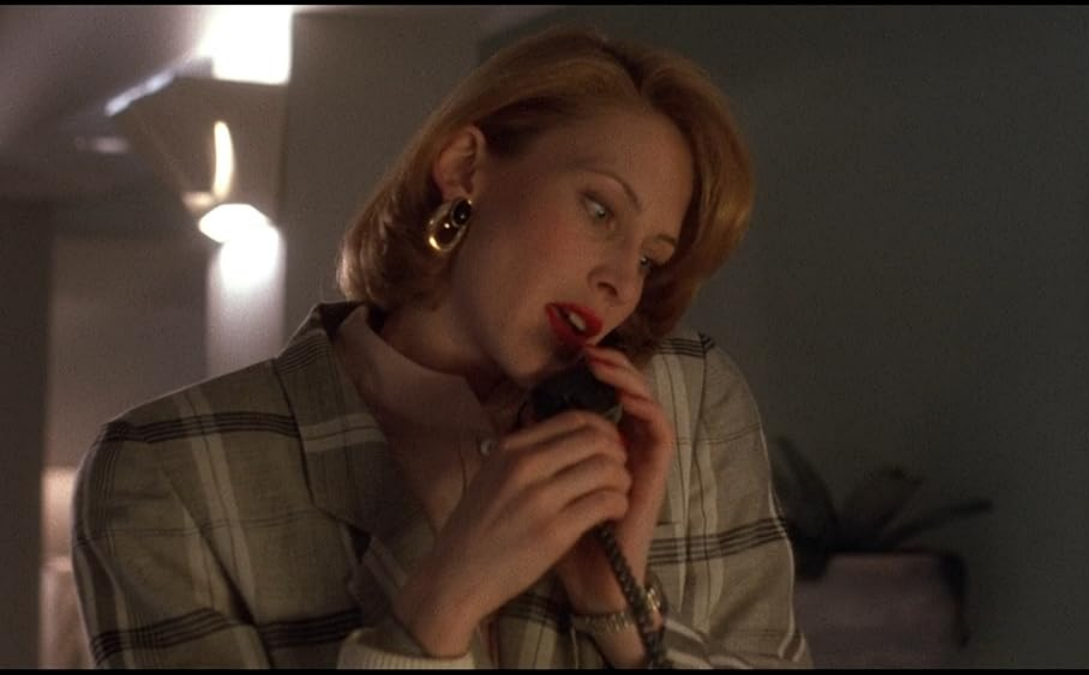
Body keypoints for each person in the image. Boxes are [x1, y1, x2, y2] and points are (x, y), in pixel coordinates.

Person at [71, 25, 811, 669]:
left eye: (650, 257)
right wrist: (438, 605)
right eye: (598, 209)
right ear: (465, 168)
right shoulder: (166, 471)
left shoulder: (687, 401)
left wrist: (622, 614)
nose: (620, 281)